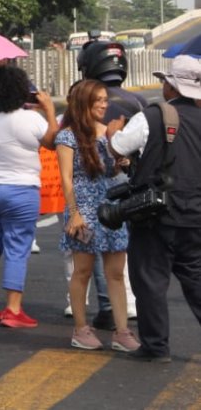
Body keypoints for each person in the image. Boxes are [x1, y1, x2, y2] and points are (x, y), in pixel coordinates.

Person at [109, 55, 201, 362]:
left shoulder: (152, 116)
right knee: (195, 279)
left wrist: (112, 134)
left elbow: (120, 147)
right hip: (195, 215)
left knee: (150, 280)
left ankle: (156, 346)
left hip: (155, 214)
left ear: (170, 86)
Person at [0, 65, 58, 328]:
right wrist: (50, 111)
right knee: (17, 249)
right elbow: (52, 142)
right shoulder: (30, 119)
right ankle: (13, 309)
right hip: (20, 189)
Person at [56, 79, 139, 352]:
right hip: (83, 209)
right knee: (82, 271)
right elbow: (67, 179)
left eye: (106, 99)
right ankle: (81, 329)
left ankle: (122, 331)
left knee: (115, 273)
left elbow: (115, 172)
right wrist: (75, 215)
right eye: (99, 100)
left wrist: (120, 159)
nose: (105, 104)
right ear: (84, 103)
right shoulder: (67, 136)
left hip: (110, 209)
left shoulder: (108, 132)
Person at [72, 40, 143, 328]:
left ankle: (105, 308)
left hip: (92, 187)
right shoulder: (138, 102)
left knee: (94, 253)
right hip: (129, 181)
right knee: (119, 251)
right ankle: (125, 307)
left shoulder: (81, 100)